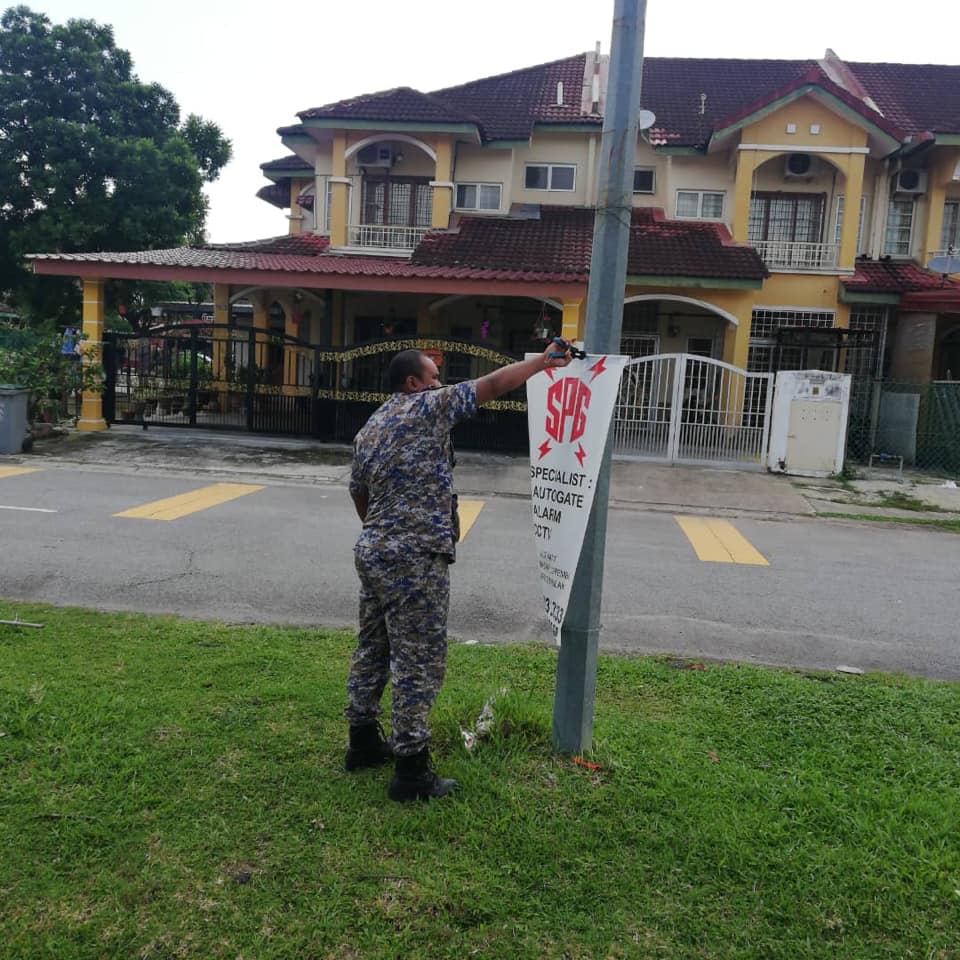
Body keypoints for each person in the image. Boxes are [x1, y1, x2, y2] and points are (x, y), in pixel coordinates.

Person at [345, 341, 574, 801]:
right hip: (415, 558)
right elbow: (491, 384)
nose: (439, 384)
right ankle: (410, 773)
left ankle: (363, 742)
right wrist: (544, 361)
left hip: (374, 552)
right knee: (417, 659)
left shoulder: (371, 426)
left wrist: (383, 532)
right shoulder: (426, 408)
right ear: (413, 384)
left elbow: (358, 492)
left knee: (373, 645)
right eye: (432, 377)